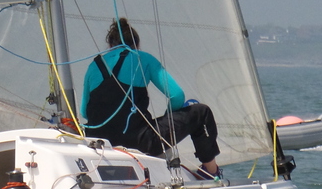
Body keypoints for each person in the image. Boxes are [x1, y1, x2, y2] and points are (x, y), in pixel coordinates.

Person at [81, 18, 222, 179]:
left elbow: (84, 112)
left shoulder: (94, 65)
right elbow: (177, 95)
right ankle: (211, 172)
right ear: (137, 45)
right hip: (140, 142)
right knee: (201, 112)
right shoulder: (143, 58)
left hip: (99, 144)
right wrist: (170, 116)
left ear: (110, 45)